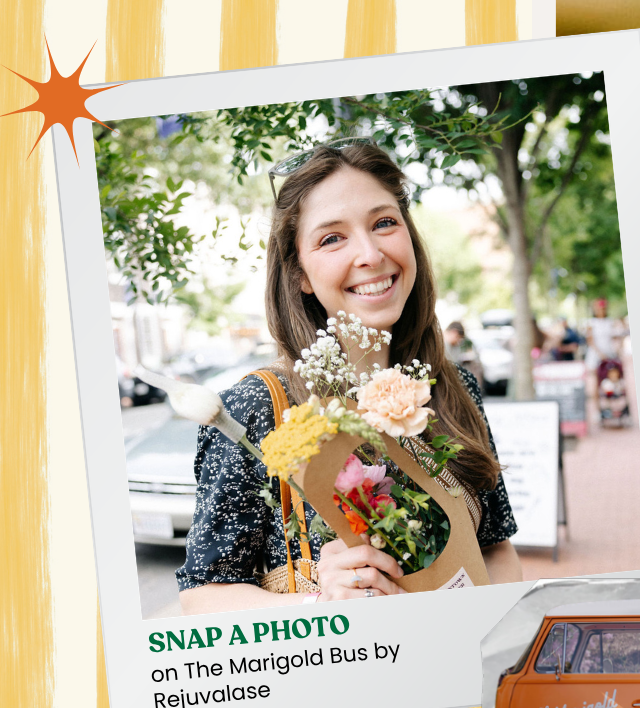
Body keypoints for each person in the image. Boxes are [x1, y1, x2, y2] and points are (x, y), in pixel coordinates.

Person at [177, 141, 521, 611]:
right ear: (299, 273)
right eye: (332, 238)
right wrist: (323, 605)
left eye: (384, 223)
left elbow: (496, 550)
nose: (371, 254)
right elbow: (201, 596)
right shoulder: (256, 408)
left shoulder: (454, 387)